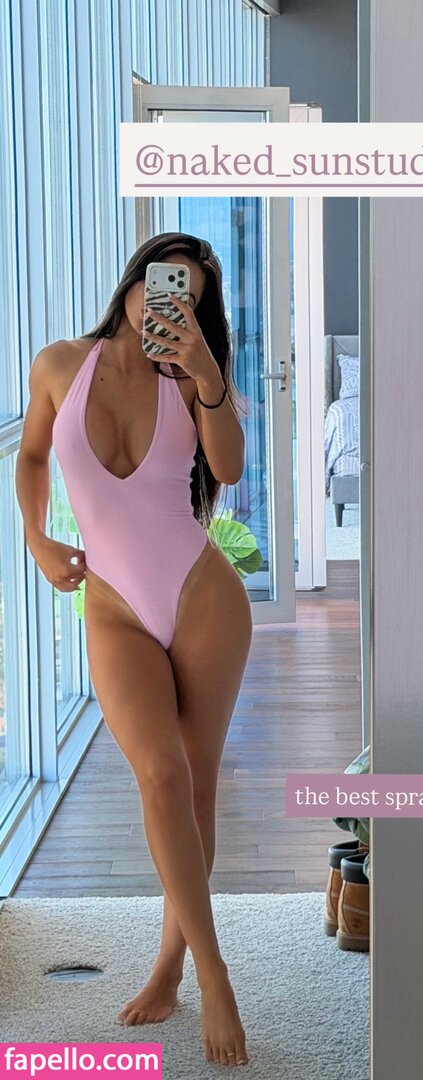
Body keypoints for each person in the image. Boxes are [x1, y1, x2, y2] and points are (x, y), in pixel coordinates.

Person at [15, 232, 253, 1068]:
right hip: (113, 606)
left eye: (187, 296)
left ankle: (174, 969)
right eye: (163, 281)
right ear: (132, 282)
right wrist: (38, 538)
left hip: (202, 597)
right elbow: (32, 455)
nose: (168, 301)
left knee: (196, 785)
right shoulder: (58, 366)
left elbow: (229, 468)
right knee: (159, 776)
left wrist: (208, 373)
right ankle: (217, 975)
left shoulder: (189, 379)